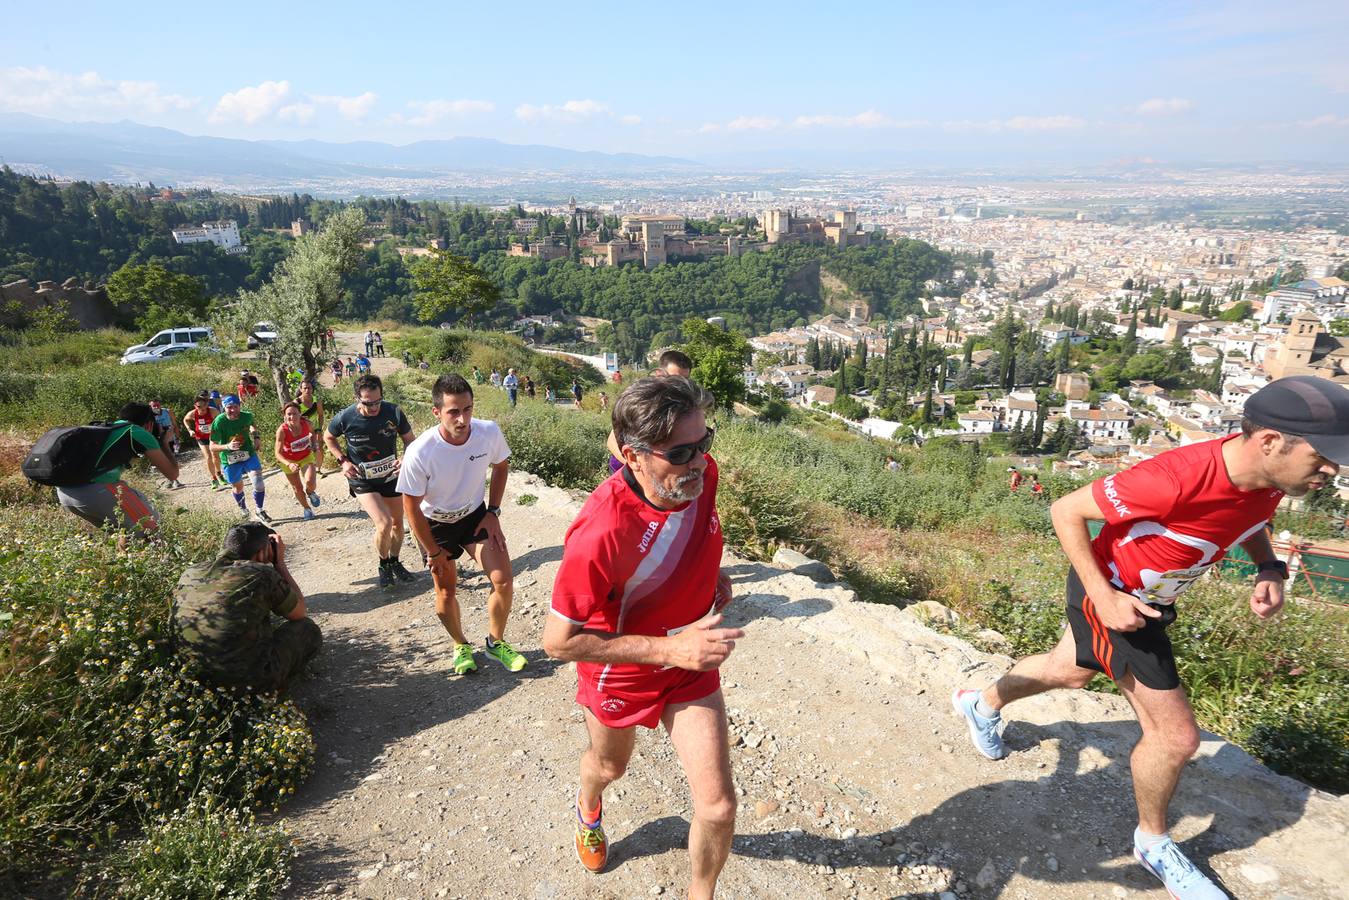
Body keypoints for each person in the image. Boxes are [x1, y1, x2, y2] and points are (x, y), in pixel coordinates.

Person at [951, 376, 1349, 900]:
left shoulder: (1269, 479)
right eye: (1323, 456)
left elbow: (1250, 519)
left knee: (1069, 671)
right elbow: (1065, 509)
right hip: (1117, 596)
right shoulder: (1174, 479)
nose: (1333, 470)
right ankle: (1152, 842)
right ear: (1270, 441)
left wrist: (1269, 568)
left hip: (1150, 600)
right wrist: (1106, 598)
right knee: (1177, 737)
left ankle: (979, 704)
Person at [543, 377, 738, 896]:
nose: (698, 461)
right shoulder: (601, 531)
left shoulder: (696, 473)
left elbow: (692, 531)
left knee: (718, 806)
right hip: (622, 673)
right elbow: (557, 641)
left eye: (705, 442)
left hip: (689, 667)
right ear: (633, 457)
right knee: (611, 766)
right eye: (680, 453)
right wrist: (670, 647)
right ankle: (588, 808)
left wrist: (710, 573)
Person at [399, 374, 524, 675]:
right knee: (446, 592)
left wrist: (492, 511)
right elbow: (410, 506)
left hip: (474, 516)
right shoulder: (420, 451)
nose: (462, 418)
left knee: (503, 580)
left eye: (467, 409)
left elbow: (502, 465)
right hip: (435, 526)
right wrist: (432, 550)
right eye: (453, 411)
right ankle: (460, 644)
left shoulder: (487, 432)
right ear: (437, 412)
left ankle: (496, 643)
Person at [173, 523, 322, 692]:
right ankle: (278, 688)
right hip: (250, 682)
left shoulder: (191, 572)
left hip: (194, 678)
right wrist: (279, 563)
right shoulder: (260, 574)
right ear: (263, 552)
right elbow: (299, 612)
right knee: (307, 629)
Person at [325, 374, 417, 589]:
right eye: (368, 402)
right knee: (383, 523)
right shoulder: (345, 417)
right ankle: (383, 565)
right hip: (362, 479)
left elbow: (410, 440)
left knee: (397, 524)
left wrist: (405, 457)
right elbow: (328, 437)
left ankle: (394, 561)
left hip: (390, 476)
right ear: (357, 398)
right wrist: (343, 461)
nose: (374, 407)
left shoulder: (393, 411)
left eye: (377, 401)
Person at [55, 402, 180, 540]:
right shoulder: (137, 432)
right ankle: (160, 560)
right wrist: (164, 444)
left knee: (126, 532)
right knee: (152, 529)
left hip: (65, 494)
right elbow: (172, 474)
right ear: (149, 424)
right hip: (96, 492)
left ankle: (127, 559)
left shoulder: (107, 429)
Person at [605, 350, 692, 473]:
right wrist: (637, 469)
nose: (679, 386)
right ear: (658, 373)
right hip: (624, 471)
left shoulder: (681, 404)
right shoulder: (639, 400)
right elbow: (612, 441)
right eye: (674, 379)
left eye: (684, 381)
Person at [209, 394, 270, 523]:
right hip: (230, 459)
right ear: (223, 407)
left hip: (248, 454)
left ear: (240, 406)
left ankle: (260, 510)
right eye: (229, 407)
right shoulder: (219, 422)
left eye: (235, 407)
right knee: (238, 487)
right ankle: (243, 509)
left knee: (258, 483)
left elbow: (252, 424)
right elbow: (212, 447)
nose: (232, 410)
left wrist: (256, 437)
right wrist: (227, 446)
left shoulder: (246, 416)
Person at [274, 402, 318, 521]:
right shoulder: (282, 431)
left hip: (305, 456)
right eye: (288, 414)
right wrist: (289, 464)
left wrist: (314, 444)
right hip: (288, 460)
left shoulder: (307, 423)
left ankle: (310, 492)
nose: (292, 417)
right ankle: (307, 509)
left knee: (310, 481)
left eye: (294, 414)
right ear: (284, 416)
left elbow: (313, 434)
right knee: (297, 488)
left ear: (300, 414)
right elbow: (277, 453)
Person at [183, 391, 225, 489]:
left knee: (216, 456)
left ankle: (219, 474)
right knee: (208, 457)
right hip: (201, 437)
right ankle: (213, 479)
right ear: (195, 405)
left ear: (207, 404)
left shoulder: (213, 411)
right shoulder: (193, 413)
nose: (201, 409)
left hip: (213, 436)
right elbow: (185, 419)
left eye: (203, 406)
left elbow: (221, 421)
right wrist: (190, 430)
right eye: (198, 407)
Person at [297, 380, 325, 502]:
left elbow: (320, 415)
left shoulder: (316, 402)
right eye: (305, 388)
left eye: (309, 388)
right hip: (301, 431)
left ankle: (318, 469)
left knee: (318, 447)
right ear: (301, 389)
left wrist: (319, 429)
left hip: (314, 429)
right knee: (303, 451)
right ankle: (304, 471)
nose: (307, 390)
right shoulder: (297, 403)